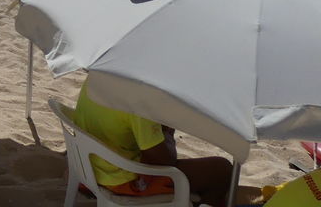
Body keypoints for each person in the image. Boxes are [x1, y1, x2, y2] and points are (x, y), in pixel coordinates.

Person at [73, 83, 232, 204]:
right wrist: (167, 132)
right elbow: (164, 161)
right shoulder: (139, 100)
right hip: (119, 181)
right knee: (222, 170)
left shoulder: (98, 75)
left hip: (86, 166)